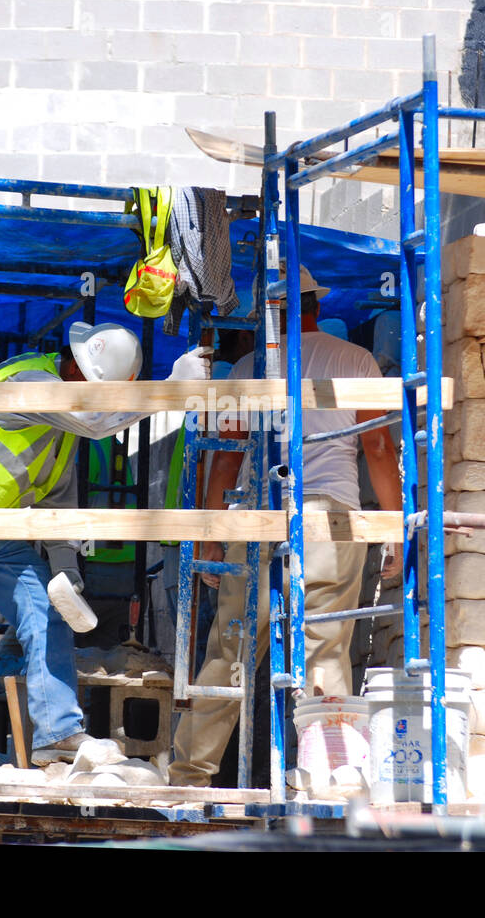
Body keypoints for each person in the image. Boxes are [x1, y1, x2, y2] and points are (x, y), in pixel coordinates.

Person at [0, 321, 210, 779]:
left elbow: (55, 496)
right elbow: (95, 422)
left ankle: (57, 732)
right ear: (80, 371)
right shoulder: (33, 383)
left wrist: (65, 564)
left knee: (46, 608)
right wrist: (170, 389)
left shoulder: (62, 425)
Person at [169, 265, 404, 787]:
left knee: (231, 647)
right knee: (325, 646)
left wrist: (210, 532)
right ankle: (328, 772)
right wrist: (393, 527)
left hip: (258, 516)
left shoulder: (249, 367)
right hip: (331, 517)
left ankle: (190, 772)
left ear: (270, 315)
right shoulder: (357, 360)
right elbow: (379, 448)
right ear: (318, 305)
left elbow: (226, 460)